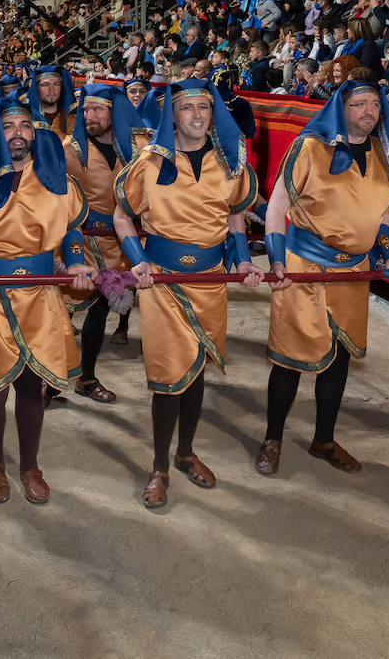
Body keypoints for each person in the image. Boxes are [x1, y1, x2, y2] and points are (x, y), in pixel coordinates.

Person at [114, 79, 261, 508]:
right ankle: (159, 466)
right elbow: (123, 217)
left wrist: (244, 260)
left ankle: (185, 453)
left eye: (204, 107)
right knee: (167, 376)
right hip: (162, 281)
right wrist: (137, 259)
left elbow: (235, 217)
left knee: (198, 368)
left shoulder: (228, 163)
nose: (197, 115)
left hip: (212, 279)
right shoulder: (148, 162)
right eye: (187, 108)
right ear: (172, 115)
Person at [0, 95, 95, 505]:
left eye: (25, 125)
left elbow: (72, 231)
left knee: (33, 388)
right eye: (8, 126)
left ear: (35, 131)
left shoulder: (57, 180)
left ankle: (30, 465)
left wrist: (76, 263)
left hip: (41, 294)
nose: (17, 133)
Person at [257, 82, 389, 476]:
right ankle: (272, 438)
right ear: (340, 109)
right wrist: (276, 260)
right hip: (304, 266)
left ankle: (323, 439)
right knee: (289, 359)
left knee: (339, 358)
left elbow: (381, 215)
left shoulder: (382, 154)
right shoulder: (310, 147)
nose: (369, 111)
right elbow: (277, 206)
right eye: (359, 104)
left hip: (353, 273)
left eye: (375, 104)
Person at [63, 84, 149, 404]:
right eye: (85, 110)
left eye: (97, 109)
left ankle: (85, 378)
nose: (89, 116)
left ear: (115, 112)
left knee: (99, 312)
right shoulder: (69, 149)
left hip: (119, 243)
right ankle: (50, 378)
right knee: (60, 312)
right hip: (79, 241)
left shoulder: (137, 148)